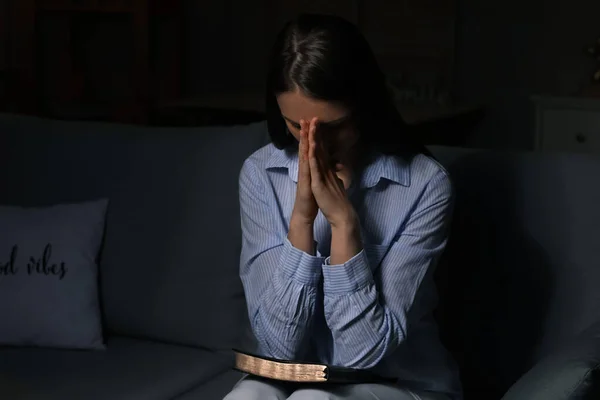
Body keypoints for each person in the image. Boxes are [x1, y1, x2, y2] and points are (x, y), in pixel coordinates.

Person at [224, 13, 462, 400]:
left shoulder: (424, 184)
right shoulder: (259, 174)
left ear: (365, 105)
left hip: (399, 384)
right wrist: (301, 221)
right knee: (247, 396)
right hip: (298, 378)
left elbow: (360, 357)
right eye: (297, 127)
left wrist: (344, 224)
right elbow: (277, 349)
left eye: (332, 128)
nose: (314, 146)